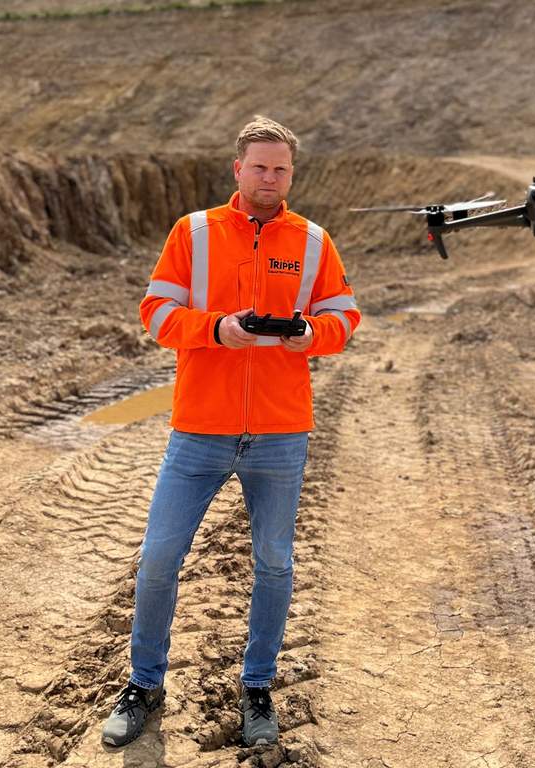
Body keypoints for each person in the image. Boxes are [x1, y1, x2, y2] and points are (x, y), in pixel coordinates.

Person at [102, 115, 360, 749]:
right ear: (237, 169)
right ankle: (144, 683)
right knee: (160, 559)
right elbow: (155, 312)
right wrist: (217, 329)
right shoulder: (193, 232)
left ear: (290, 174)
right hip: (200, 429)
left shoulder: (313, 240)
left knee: (274, 564)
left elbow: (344, 315)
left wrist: (310, 334)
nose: (270, 178)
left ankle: (258, 687)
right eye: (260, 167)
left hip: (280, 434)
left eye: (281, 169)